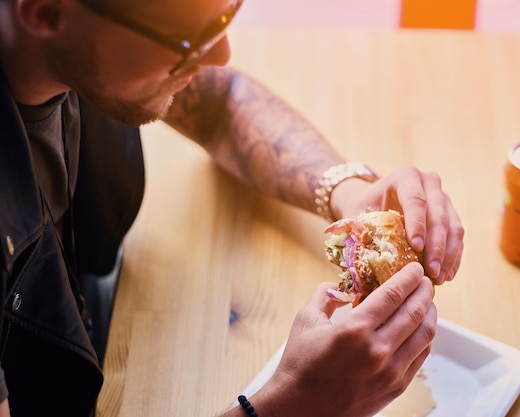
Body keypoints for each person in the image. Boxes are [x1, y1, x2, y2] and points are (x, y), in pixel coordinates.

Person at [0, 0, 464, 415]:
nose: (221, 55)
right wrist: (292, 402)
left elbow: (219, 102)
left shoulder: (81, 45)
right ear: (45, 12)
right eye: (187, 41)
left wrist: (349, 190)